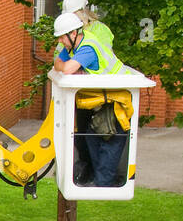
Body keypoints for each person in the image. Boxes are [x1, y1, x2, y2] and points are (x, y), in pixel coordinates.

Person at [53, 12, 128, 187]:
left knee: (107, 141)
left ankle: (106, 183)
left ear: (73, 33)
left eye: (62, 37)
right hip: (105, 101)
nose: (60, 41)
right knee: (90, 136)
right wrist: (65, 67)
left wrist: (67, 67)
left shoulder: (87, 47)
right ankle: (102, 180)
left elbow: (67, 68)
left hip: (117, 102)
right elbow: (58, 63)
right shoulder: (75, 46)